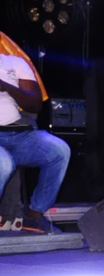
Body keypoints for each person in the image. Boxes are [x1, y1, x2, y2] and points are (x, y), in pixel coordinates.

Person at [0, 31, 71, 234]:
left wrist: (5, 86)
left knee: (59, 151)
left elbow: (34, 103)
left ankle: (33, 215)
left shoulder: (14, 62)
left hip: (21, 134)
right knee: (3, 164)